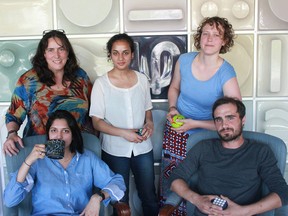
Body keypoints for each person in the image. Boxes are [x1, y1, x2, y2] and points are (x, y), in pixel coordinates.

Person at [159, 16, 242, 214]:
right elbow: (174, 88)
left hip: (208, 134)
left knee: (202, 181)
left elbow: (233, 120)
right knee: (173, 179)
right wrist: (172, 109)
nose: (210, 38)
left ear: (224, 41)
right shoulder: (185, 60)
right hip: (178, 130)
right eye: (206, 33)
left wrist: (194, 123)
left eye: (216, 35)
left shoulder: (226, 72)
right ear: (200, 37)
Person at [168, 97, 288, 216]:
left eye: (230, 118)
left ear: (243, 119)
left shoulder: (260, 151)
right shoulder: (203, 148)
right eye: (218, 119)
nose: (224, 125)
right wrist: (197, 200)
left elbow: (282, 193)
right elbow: (175, 179)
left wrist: (242, 211)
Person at [4, 110, 126, 215]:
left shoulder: (87, 159)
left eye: (65, 131)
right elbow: (10, 199)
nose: (59, 137)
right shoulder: (38, 161)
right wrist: (28, 161)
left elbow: (118, 183)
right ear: (49, 135)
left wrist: (98, 196)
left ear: (73, 135)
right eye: (54, 130)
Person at [89, 33, 159, 216]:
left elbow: (147, 111)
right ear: (110, 55)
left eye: (125, 53)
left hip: (143, 147)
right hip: (114, 150)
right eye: (116, 53)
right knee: (120, 200)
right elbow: (96, 122)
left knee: (149, 196)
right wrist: (123, 133)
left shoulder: (142, 79)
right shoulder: (101, 84)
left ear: (132, 55)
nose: (120, 58)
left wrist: (150, 123)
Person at [3, 29, 93, 156]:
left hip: (77, 150)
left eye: (61, 49)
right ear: (43, 54)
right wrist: (11, 134)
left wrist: (94, 141)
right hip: (40, 151)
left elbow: (93, 112)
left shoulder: (81, 77)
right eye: (51, 50)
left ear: (68, 53)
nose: (56, 55)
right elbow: (14, 115)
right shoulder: (28, 81)